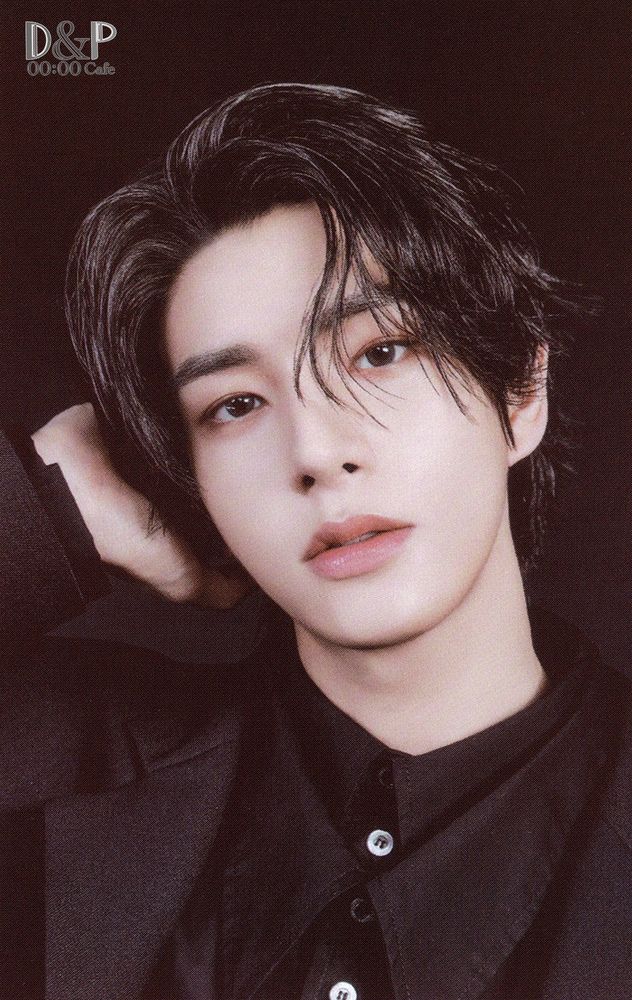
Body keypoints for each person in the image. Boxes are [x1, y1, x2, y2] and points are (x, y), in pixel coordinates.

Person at [1, 83, 630, 1000]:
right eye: (236, 405)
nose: (317, 452)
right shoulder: (61, 767)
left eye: (379, 352)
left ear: (520, 391)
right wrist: (45, 507)